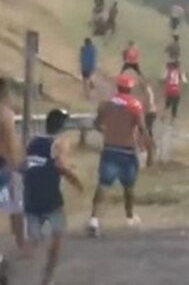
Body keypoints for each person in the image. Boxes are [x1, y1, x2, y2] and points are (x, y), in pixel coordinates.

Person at [22, 109, 84, 285]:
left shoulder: (33, 142)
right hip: (50, 199)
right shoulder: (60, 143)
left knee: (32, 240)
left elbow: (27, 164)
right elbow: (60, 166)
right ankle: (46, 280)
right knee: (57, 239)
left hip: (31, 197)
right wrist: (77, 182)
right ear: (63, 126)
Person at [87, 73, 154, 237]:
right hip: (127, 151)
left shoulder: (107, 105)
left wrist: (107, 131)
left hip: (110, 149)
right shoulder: (135, 106)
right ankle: (129, 216)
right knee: (129, 186)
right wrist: (150, 150)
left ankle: (94, 219)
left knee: (103, 185)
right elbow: (143, 130)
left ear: (118, 87)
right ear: (130, 88)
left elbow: (96, 124)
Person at [0, 78, 24, 280]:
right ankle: (21, 243)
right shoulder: (5, 114)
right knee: (15, 206)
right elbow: (11, 146)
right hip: (3, 166)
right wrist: (16, 167)